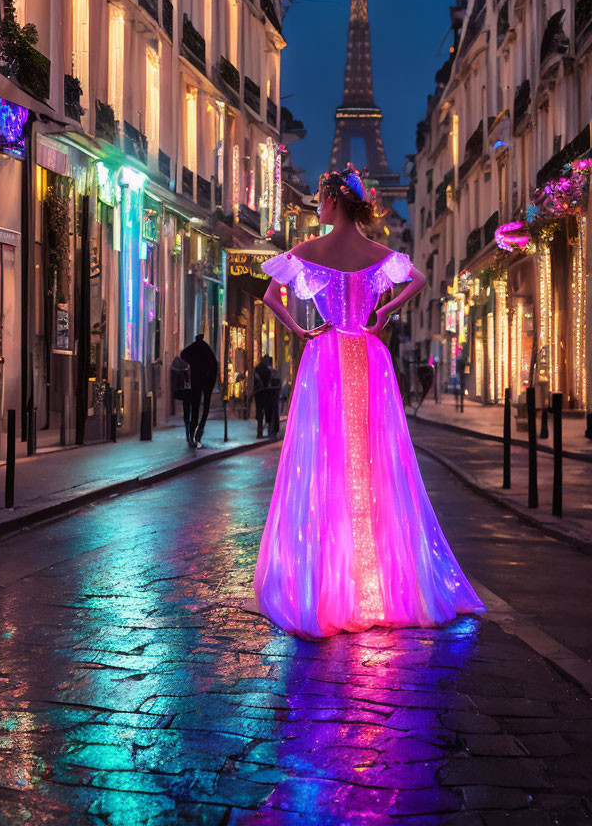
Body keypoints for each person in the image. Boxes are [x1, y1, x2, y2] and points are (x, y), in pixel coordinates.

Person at [253, 164, 485, 639]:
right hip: (369, 354)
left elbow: (270, 295)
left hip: (326, 355)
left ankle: (331, 584)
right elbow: (418, 280)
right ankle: (376, 583)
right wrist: (385, 311)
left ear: (333, 202)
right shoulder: (379, 253)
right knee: (377, 462)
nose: (318, 207)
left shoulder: (309, 251)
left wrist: (300, 331)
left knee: (326, 463)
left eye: (320, 199)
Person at [180, 333, 218, 448]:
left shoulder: (195, 348)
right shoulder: (206, 349)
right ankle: (197, 433)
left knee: (195, 407)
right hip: (205, 382)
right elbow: (214, 365)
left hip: (197, 381)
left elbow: (183, 354)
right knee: (203, 408)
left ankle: (193, 433)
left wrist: (191, 364)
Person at [170, 354, 193, 446]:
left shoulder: (186, 367)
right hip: (188, 394)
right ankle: (189, 434)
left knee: (189, 414)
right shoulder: (182, 367)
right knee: (188, 414)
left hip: (189, 394)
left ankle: (190, 434)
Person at [253, 354, 274, 438]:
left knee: (260, 413)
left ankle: (259, 432)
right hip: (265, 393)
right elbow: (269, 382)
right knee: (267, 412)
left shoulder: (257, 369)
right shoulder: (268, 370)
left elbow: (255, 382)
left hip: (258, 393)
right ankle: (267, 431)